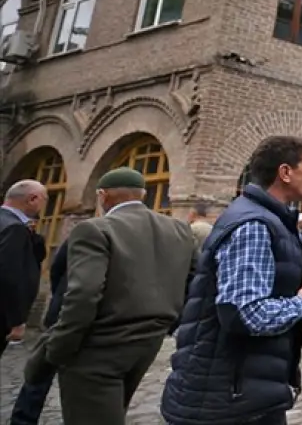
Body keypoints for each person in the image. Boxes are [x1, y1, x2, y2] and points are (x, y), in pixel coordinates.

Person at [162, 136, 302, 425]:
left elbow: (259, 276)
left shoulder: (268, 217)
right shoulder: (254, 224)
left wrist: (297, 272)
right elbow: (244, 313)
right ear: (285, 172)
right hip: (227, 398)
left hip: (246, 392)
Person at [23, 168, 197, 425]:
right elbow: (195, 282)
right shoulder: (180, 231)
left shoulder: (94, 230)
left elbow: (83, 293)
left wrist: (59, 347)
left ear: (102, 196)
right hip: (148, 342)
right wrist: (167, 322)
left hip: (97, 346)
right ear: (143, 195)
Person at [8, 236, 70, 425]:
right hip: (63, 316)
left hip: (76, 316)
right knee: (40, 372)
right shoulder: (84, 233)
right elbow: (57, 269)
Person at [0, 180, 47, 357]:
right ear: (33, 199)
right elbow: (8, 275)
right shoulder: (14, 228)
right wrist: (16, 320)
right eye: (45, 199)